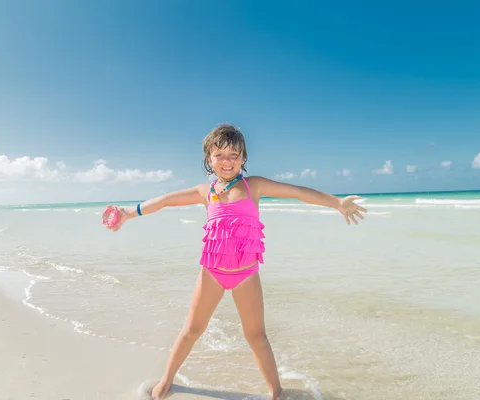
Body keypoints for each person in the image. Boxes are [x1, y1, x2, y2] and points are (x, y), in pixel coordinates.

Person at [105, 123, 367, 399]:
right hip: (212, 273)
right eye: (219, 155)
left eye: (234, 155)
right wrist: (126, 212)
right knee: (192, 329)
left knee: (256, 336)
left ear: (243, 158)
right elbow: (165, 201)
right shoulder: (204, 192)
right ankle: (167, 380)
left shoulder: (253, 186)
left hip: (246, 275)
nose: (227, 161)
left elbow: (298, 191)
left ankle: (276, 392)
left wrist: (336, 203)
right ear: (209, 158)